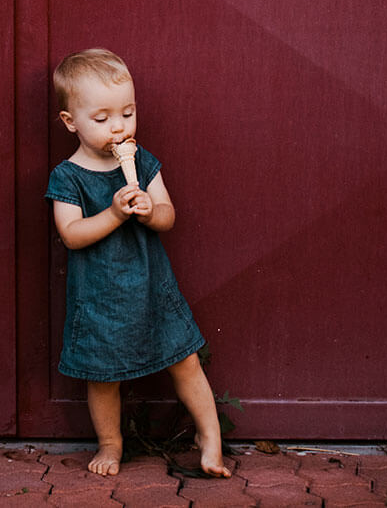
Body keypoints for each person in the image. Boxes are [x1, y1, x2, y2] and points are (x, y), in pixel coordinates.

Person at [45, 48, 231, 478]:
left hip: (151, 284)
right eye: (103, 117)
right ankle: (111, 444)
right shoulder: (67, 176)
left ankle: (210, 437)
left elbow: (168, 216)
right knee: (103, 377)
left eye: (127, 113)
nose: (118, 126)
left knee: (185, 358)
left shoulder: (142, 161)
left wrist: (150, 209)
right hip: (99, 297)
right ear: (71, 122)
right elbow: (71, 235)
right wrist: (112, 213)